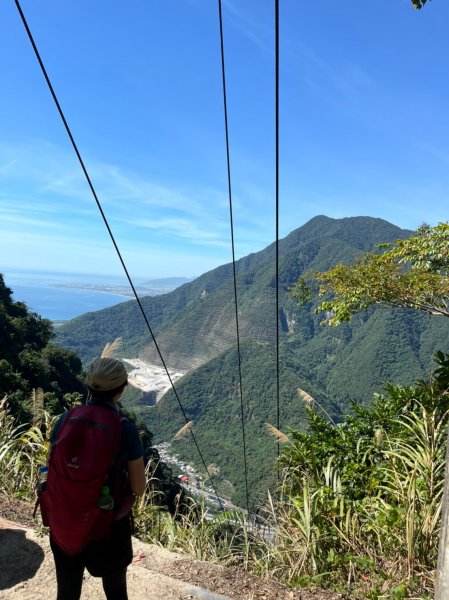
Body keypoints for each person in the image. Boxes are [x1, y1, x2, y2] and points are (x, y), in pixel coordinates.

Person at [48, 357, 146, 600]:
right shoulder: (125, 430)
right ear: (122, 390)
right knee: (115, 593)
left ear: (88, 386)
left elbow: (51, 467)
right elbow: (139, 488)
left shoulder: (65, 420)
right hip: (107, 525)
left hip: (64, 519)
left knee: (67, 593)